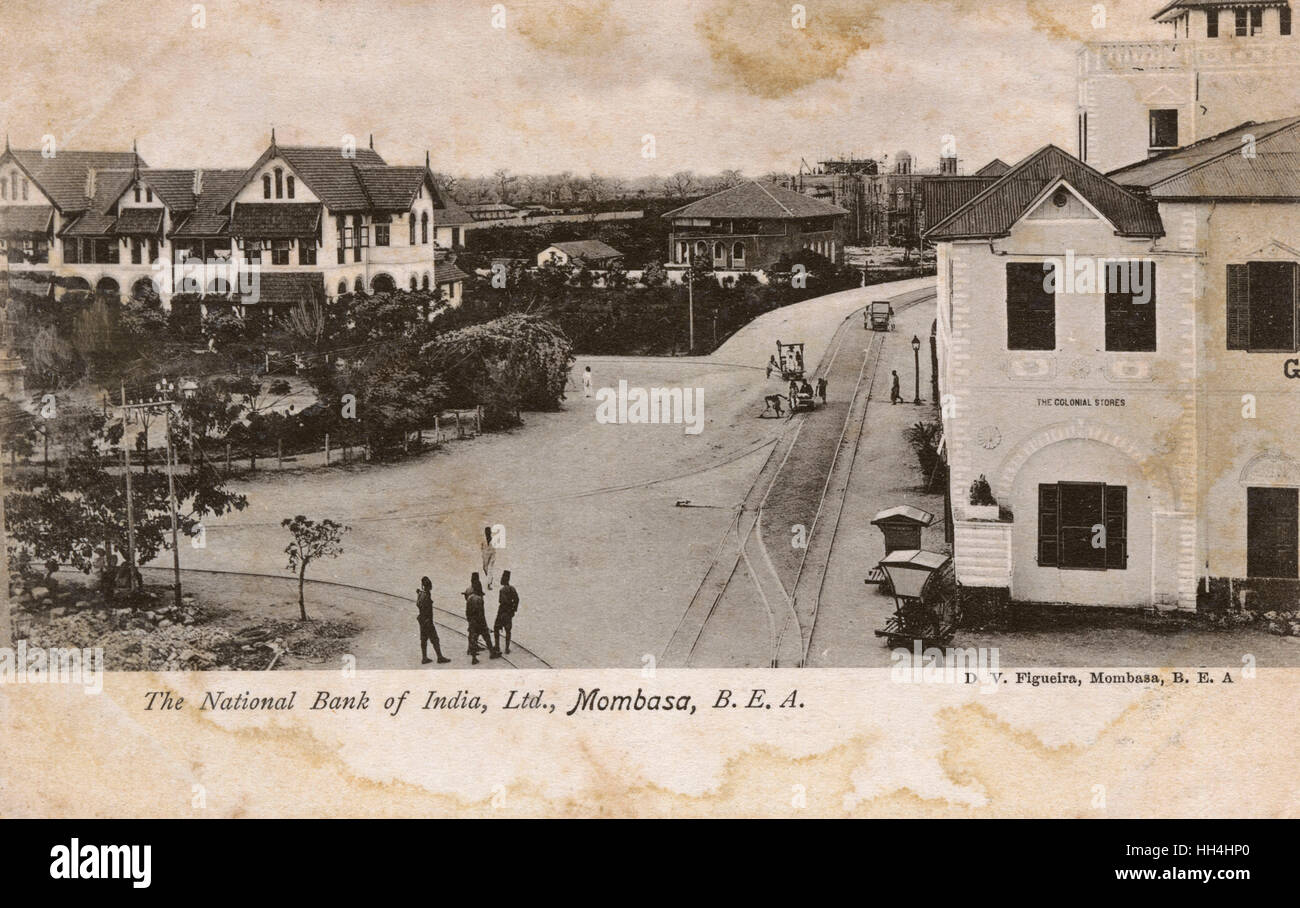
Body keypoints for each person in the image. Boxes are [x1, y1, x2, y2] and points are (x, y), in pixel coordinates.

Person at [463, 572, 499, 663]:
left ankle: (474, 658)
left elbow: (467, 612)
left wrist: (470, 620)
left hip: (472, 621)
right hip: (480, 622)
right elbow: (481, 613)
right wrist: (485, 625)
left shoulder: (470, 597)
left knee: (473, 639)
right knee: (487, 637)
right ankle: (492, 653)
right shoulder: (479, 599)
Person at [416, 576, 450, 665]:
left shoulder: (421, 594)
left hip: (422, 620)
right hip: (427, 621)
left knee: (423, 639)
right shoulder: (426, 595)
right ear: (428, 586)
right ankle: (440, 657)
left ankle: (424, 658)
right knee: (435, 639)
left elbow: (418, 604)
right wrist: (428, 621)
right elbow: (426, 608)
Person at [494, 570, 519, 654]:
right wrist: (513, 610)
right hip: (509, 613)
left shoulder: (502, 590)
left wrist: (500, 614)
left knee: (496, 628)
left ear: (504, 580)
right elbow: (517, 599)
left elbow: (501, 601)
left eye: (502, 578)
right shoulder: (512, 588)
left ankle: (497, 647)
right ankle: (507, 648)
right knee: (508, 630)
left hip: (502, 612)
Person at [480, 525, 497, 590]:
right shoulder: (483, 540)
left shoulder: (493, 540)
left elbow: (494, 549)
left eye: (488, 532)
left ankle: (489, 583)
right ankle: (490, 578)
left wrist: (493, 557)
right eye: (486, 532)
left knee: (490, 568)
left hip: (492, 555)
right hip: (485, 556)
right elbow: (481, 548)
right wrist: (483, 554)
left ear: (490, 532)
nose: (487, 533)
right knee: (484, 568)